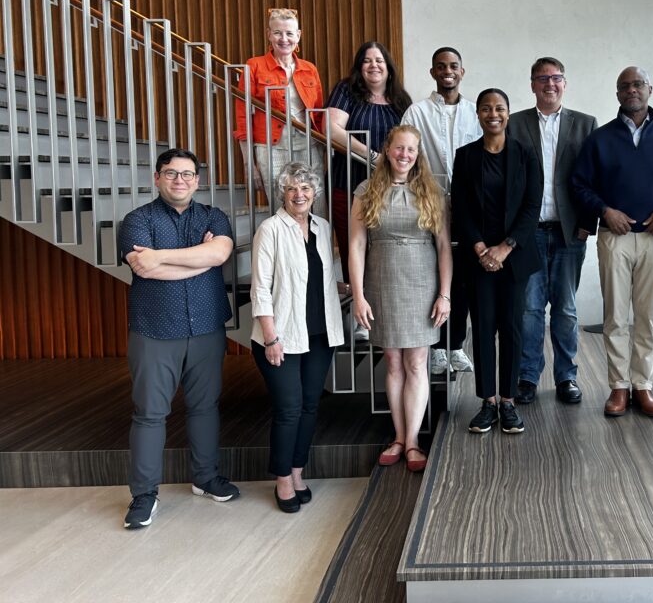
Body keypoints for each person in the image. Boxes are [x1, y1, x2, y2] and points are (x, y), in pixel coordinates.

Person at [119, 148, 239, 530]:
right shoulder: (137, 220)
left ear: (198, 181)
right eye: (171, 173)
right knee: (150, 414)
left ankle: (205, 478)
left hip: (206, 328)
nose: (180, 180)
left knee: (205, 407)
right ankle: (144, 496)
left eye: (188, 174)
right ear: (157, 178)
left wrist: (164, 258)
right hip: (154, 329)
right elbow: (144, 268)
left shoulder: (213, 216)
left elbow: (220, 253)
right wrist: (198, 259)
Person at [572, 67, 653, 419]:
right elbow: (580, 185)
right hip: (616, 238)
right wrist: (604, 210)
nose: (632, 90)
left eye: (638, 84)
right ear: (617, 94)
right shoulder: (600, 139)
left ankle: (642, 385)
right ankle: (618, 387)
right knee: (615, 316)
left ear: (650, 90)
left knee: (648, 317)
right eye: (625, 86)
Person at [349, 125, 453, 472]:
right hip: (382, 281)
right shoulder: (366, 190)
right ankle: (398, 435)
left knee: (416, 363)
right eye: (399, 148)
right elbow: (356, 245)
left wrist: (444, 294)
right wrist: (359, 295)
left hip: (422, 283)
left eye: (411, 150)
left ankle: (412, 442)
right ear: (387, 150)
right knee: (393, 362)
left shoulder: (431, 191)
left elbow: (443, 248)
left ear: (417, 154)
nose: (404, 155)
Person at [249, 162, 346, 512]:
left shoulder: (322, 227)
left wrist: (343, 287)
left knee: (309, 406)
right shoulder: (270, 229)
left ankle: (297, 470)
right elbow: (260, 288)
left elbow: (313, 276)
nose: (299, 194)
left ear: (315, 193)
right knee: (288, 409)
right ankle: (281, 479)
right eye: (292, 188)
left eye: (305, 188)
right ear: (282, 193)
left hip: (319, 334)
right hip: (282, 337)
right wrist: (271, 337)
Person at [507, 57, 597, 406]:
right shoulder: (515, 124)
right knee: (529, 308)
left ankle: (567, 377)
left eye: (556, 78)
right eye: (542, 78)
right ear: (532, 84)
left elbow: (594, 176)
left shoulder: (585, 124)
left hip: (569, 232)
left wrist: (588, 224)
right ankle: (527, 377)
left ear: (565, 83)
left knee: (566, 309)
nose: (549, 84)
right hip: (528, 232)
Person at [451, 89, 542, 435]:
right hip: (478, 260)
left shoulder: (525, 154)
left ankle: (509, 401)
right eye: (486, 108)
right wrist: (479, 249)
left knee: (512, 328)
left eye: (500, 108)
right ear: (477, 113)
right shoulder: (466, 156)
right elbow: (460, 207)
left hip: (513, 258)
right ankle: (487, 401)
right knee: (484, 328)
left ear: (508, 113)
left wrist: (504, 248)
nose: (493, 113)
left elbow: (532, 207)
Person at [400, 47, 481, 376]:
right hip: (427, 203)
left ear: (462, 71)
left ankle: (456, 344)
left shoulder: (476, 112)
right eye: (441, 66)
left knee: (461, 276)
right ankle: (434, 346)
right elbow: (406, 156)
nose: (447, 71)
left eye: (453, 66)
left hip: (466, 205)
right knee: (429, 275)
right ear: (432, 72)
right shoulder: (416, 112)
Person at [327, 41, 412, 284]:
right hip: (348, 184)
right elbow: (331, 129)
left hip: (390, 189)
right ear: (359, 67)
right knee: (352, 249)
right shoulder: (347, 90)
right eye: (366, 60)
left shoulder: (401, 100)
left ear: (388, 67)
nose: (373, 65)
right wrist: (374, 157)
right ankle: (358, 310)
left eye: (378, 60)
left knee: (386, 250)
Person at [234, 7, 326, 215]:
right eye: (277, 33)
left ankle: (317, 247)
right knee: (281, 204)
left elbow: (318, 115)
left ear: (298, 35)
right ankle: (286, 248)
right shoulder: (254, 66)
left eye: (289, 33)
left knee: (316, 204)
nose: (284, 39)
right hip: (270, 146)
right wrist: (250, 164)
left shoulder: (309, 68)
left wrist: (324, 148)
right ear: (269, 34)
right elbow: (242, 117)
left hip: (308, 143)